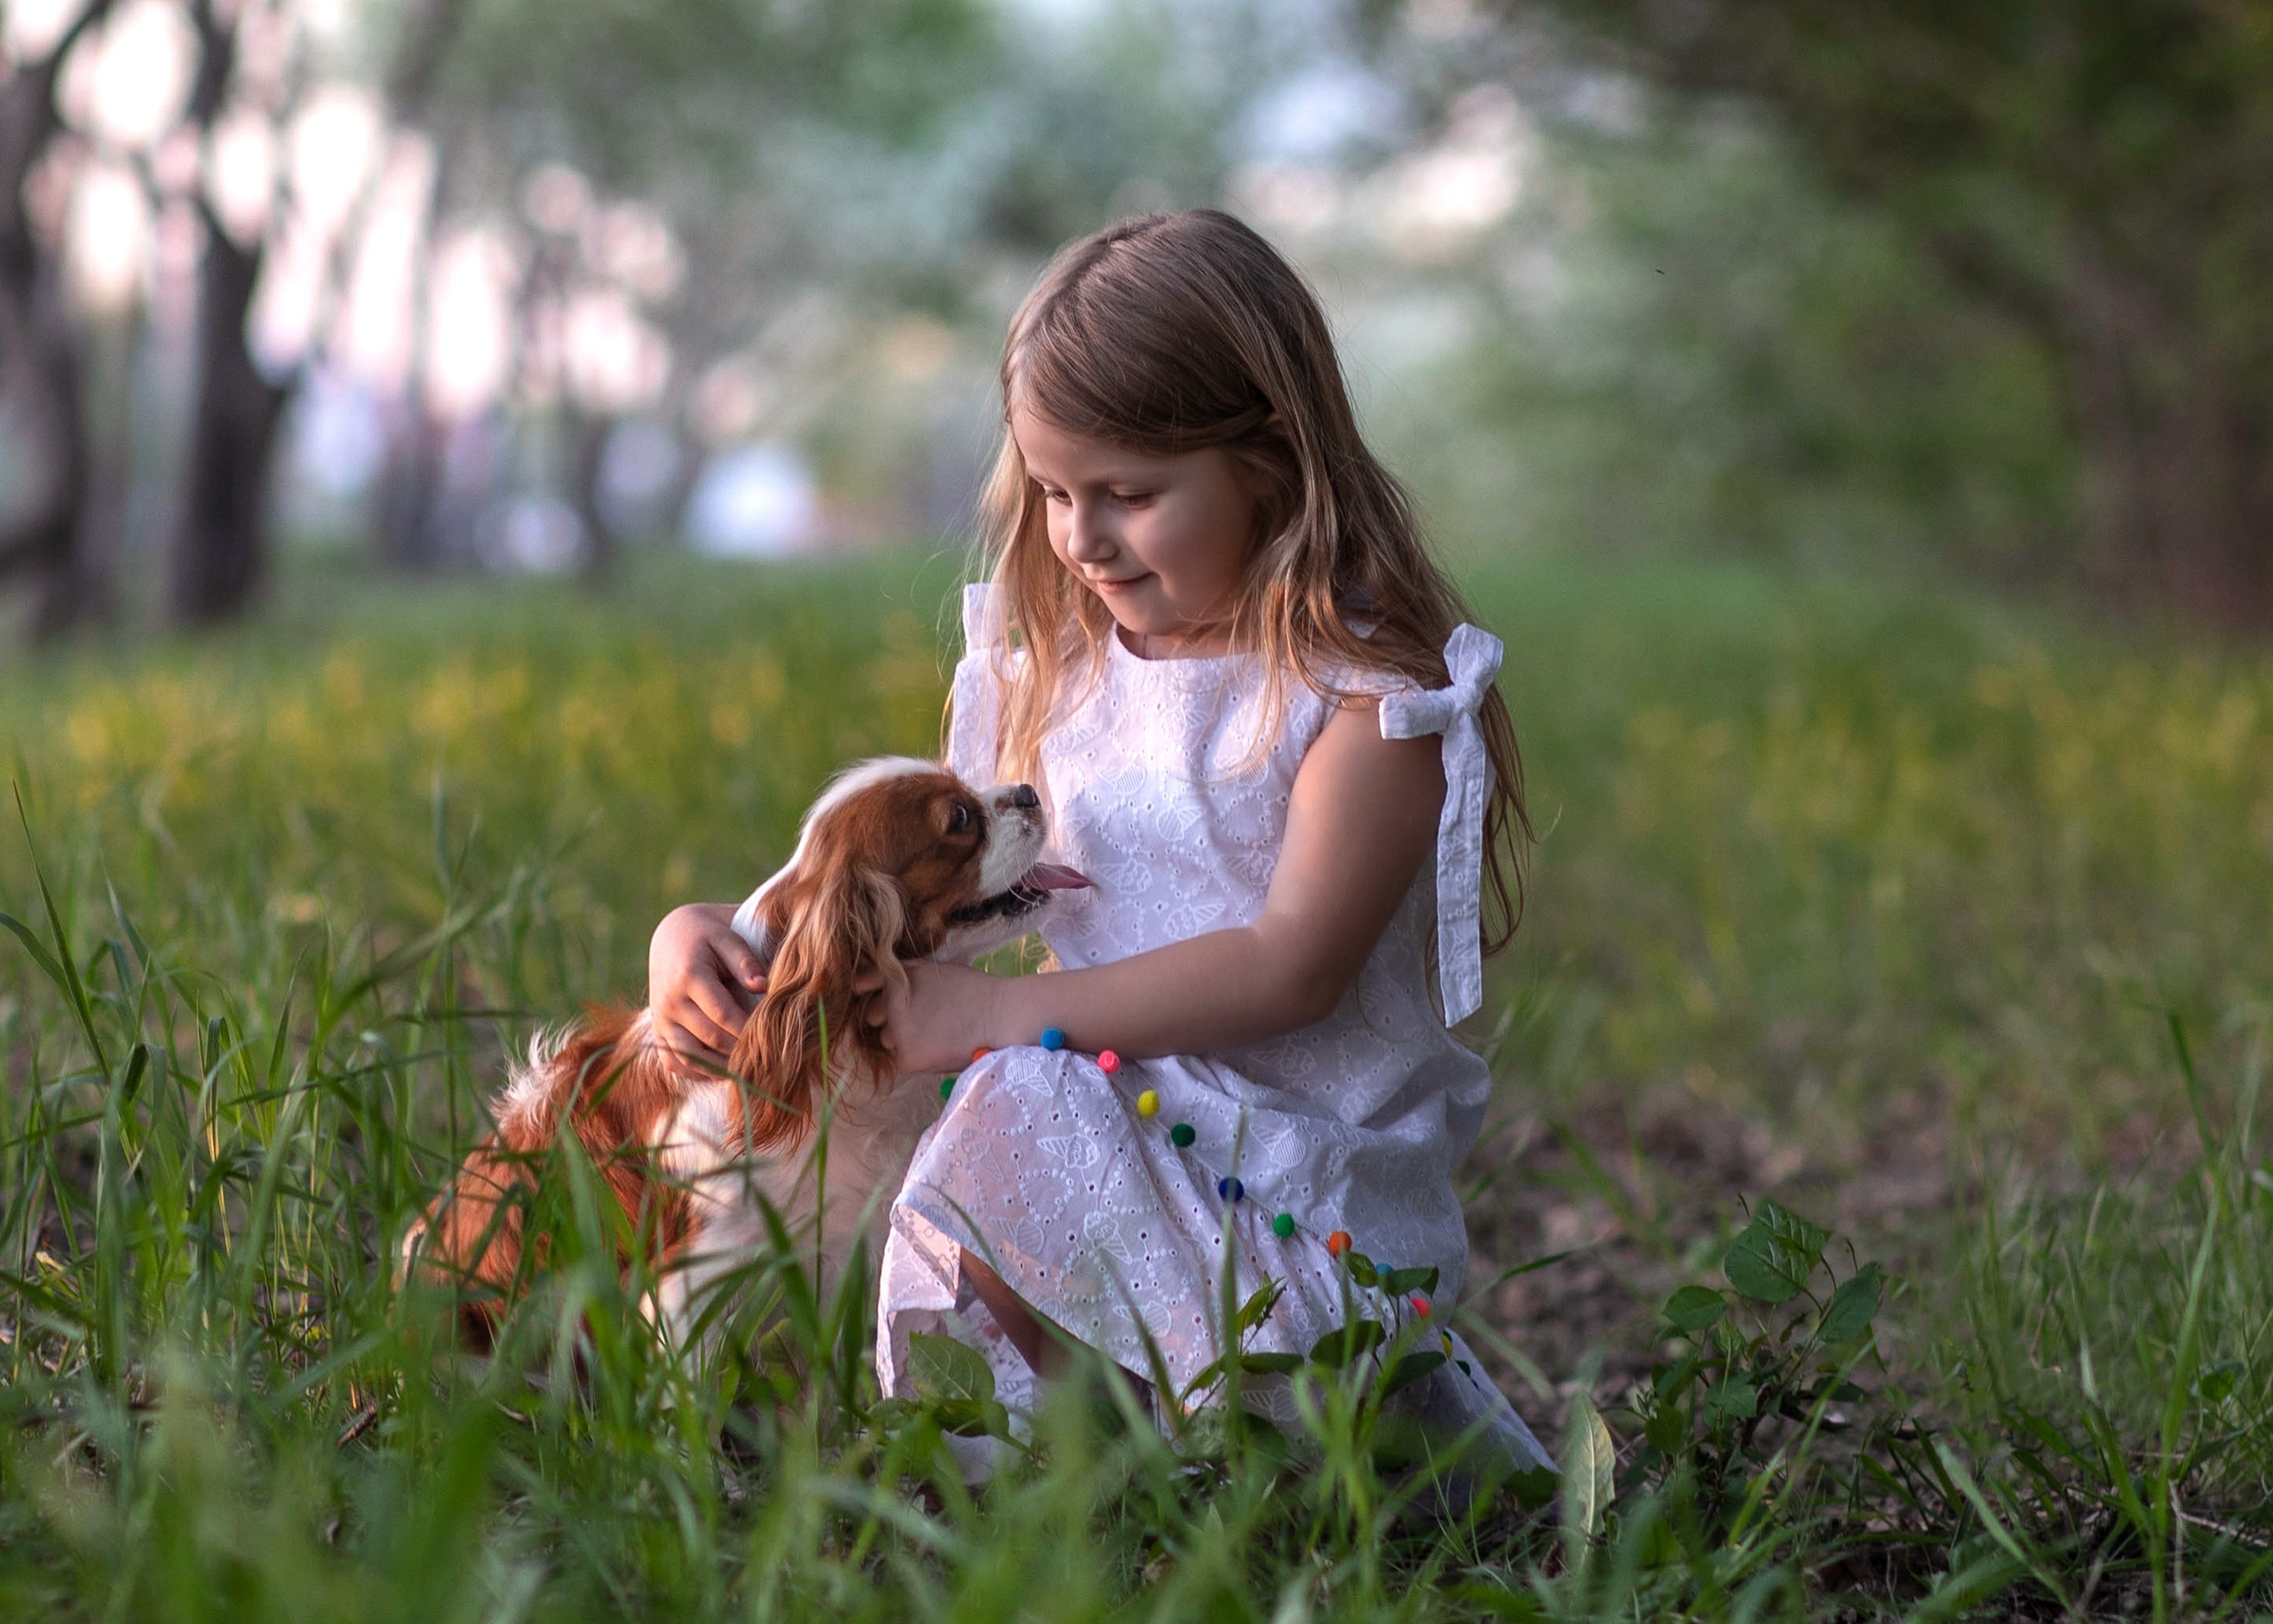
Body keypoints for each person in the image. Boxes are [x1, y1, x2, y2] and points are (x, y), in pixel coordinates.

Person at [647, 209, 1549, 1470]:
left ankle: (1206, 1447)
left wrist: (993, 1021)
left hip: (1300, 1220)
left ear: (1271, 460)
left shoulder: (1367, 700)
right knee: (978, 1100)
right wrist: (708, 933)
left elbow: (1292, 963)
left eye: (1131, 493)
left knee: (1008, 1091)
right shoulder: (1065, 672)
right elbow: (905, 875)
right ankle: (1103, 1452)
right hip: (1107, 1153)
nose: (1080, 535)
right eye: (1057, 492)